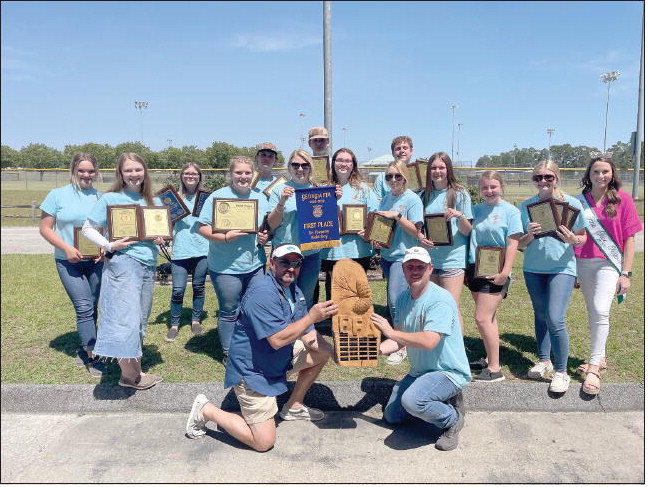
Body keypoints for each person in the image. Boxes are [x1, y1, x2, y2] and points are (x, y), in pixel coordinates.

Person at [185, 244, 338, 452]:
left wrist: (333, 352)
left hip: (277, 360)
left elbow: (308, 332)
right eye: (285, 262)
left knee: (320, 353)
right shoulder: (262, 293)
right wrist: (312, 316)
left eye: (296, 263)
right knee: (264, 442)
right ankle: (205, 410)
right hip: (253, 372)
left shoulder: (293, 289)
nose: (291, 268)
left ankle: (293, 406)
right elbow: (277, 340)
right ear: (272, 263)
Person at [370, 246, 471, 451]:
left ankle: (452, 419)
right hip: (420, 372)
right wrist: (370, 351)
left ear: (430, 269)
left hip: (447, 371)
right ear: (403, 269)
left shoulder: (440, 300)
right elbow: (398, 340)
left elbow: (429, 341)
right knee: (393, 416)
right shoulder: (403, 299)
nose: (415, 271)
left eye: (420, 267)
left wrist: (390, 332)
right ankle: (435, 401)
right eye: (410, 266)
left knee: (413, 402)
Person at [81, 152, 164, 390]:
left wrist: (160, 238)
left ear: (145, 172)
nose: (134, 174)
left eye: (138, 169)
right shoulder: (111, 199)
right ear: (121, 173)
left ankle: (136, 371)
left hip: (147, 265)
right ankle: (129, 377)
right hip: (124, 264)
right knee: (124, 319)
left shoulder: (153, 201)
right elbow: (88, 228)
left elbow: (159, 232)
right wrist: (108, 245)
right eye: (128, 170)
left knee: (139, 318)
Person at [573, 156, 642, 395]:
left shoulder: (622, 199)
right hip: (582, 261)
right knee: (593, 310)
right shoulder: (579, 201)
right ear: (588, 175)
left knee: (601, 309)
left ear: (612, 174)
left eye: (605, 171)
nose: (601, 176)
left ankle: (593, 368)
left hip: (608, 264)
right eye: (596, 172)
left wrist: (626, 272)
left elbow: (630, 238)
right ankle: (600, 356)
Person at [518, 160, 587, 394]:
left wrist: (572, 240)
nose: (543, 181)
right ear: (533, 180)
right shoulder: (526, 206)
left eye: (548, 176)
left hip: (562, 268)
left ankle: (561, 371)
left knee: (555, 318)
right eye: (538, 177)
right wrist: (529, 235)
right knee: (540, 314)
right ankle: (544, 360)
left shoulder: (571, 204)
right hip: (533, 268)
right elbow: (519, 245)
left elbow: (582, 236)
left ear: (557, 177)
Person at [197, 156, 269, 365]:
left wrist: (265, 236)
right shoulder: (218, 197)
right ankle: (229, 351)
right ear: (231, 174)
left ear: (253, 174)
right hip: (226, 266)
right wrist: (225, 237)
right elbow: (201, 227)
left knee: (253, 308)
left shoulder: (260, 197)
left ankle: (250, 346)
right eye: (238, 173)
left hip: (255, 264)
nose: (243, 177)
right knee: (229, 311)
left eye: (247, 173)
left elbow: (265, 226)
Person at [39, 153, 106, 377]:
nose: (86, 175)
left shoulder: (100, 196)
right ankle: (92, 355)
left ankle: (87, 345)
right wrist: (66, 248)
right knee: (84, 306)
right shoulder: (57, 195)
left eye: (90, 171)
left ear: (96, 173)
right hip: (68, 262)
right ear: (73, 171)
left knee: (93, 304)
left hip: (95, 261)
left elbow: (104, 228)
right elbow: (45, 229)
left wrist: (104, 247)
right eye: (82, 170)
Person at [362, 160, 423, 365]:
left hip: (403, 256)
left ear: (405, 177)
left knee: (396, 300)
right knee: (395, 300)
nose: (393, 180)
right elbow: (383, 228)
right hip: (388, 256)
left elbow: (416, 232)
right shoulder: (386, 198)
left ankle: (401, 343)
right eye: (389, 176)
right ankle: (402, 336)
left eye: (397, 176)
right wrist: (370, 234)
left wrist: (397, 216)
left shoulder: (412, 200)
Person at [465, 171, 523, 382]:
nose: (489, 191)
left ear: (501, 187)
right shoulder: (476, 209)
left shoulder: (511, 211)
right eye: (485, 188)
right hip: (475, 267)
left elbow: (513, 243)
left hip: (496, 270)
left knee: (481, 317)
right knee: (489, 318)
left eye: (493, 187)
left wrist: (505, 272)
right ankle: (489, 357)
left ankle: (495, 369)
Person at [419, 152, 473, 332]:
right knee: (434, 304)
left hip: (452, 259)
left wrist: (460, 216)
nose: (437, 171)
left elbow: (467, 231)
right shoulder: (423, 195)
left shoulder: (459, 193)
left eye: (441, 167)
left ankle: (457, 350)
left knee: (451, 305)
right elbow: (419, 226)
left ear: (448, 169)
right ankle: (437, 345)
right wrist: (421, 237)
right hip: (430, 259)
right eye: (433, 167)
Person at [320, 148, 378, 300]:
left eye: (347, 161)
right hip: (333, 251)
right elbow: (318, 216)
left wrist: (368, 232)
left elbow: (374, 215)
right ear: (333, 164)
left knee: (357, 295)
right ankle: (335, 324)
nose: (343, 164)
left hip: (358, 250)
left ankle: (357, 323)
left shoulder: (364, 189)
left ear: (353, 165)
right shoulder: (324, 188)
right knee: (335, 296)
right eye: (339, 160)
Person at [267, 149, 323, 308]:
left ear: (310, 167)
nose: (300, 169)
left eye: (305, 165)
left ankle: (305, 330)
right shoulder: (280, 190)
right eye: (296, 165)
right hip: (286, 253)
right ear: (289, 167)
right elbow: (272, 224)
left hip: (311, 252)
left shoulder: (318, 189)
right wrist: (282, 202)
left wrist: (333, 201)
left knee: (306, 296)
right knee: (284, 295)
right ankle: (285, 330)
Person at [165, 162, 209, 342]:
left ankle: (195, 320)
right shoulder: (173, 198)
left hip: (202, 249)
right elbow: (165, 222)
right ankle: (174, 324)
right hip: (181, 250)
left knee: (199, 287)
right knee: (177, 289)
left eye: (194, 174)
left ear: (199, 177)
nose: (191, 176)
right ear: (182, 176)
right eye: (187, 173)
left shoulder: (206, 199)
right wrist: (162, 234)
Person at [372, 135, 414, 201]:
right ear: (392, 153)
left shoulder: (420, 176)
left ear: (411, 151)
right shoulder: (382, 178)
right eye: (398, 148)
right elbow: (377, 203)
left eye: (405, 148)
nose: (401, 151)